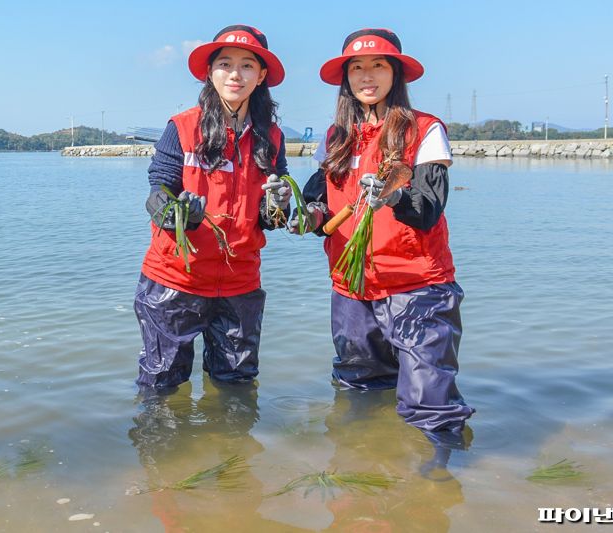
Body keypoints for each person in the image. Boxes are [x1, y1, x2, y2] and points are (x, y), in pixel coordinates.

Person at [290, 28, 474, 439]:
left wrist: (392, 197)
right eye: (357, 68)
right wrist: (301, 215)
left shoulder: (424, 129)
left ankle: (436, 485)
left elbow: (427, 209)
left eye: (378, 66)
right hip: (351, 289)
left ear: (396, 74)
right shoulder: (336, 138)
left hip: (417, 288)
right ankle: (366, 469)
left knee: (431, 405)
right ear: (346, 78)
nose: (367, 76)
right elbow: (316, 204)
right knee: (358, 391)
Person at [135, 25, 293, 392]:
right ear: (210, 71)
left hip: (240, 280)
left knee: (236, 386)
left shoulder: (271, 137)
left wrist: (280, 206)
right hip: (176, 278)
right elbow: (158, 186)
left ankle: (230, 448)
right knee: (161, 385)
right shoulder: (182, 126)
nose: (235, 74)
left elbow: (271, 213)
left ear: (262, 75)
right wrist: (176, 215)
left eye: (247, 66)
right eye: (225, 63)